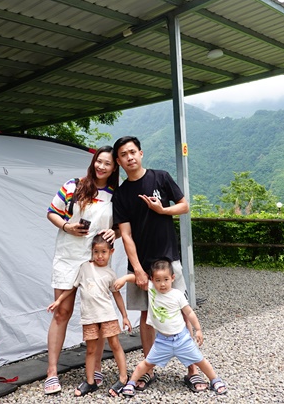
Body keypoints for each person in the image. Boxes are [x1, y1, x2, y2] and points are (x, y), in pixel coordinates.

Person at [111, 135, 207, 393]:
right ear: (119, 161)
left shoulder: (161, 177)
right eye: (123, 154)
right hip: (140, 265)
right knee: (145, 314)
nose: (129, 157)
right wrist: (138, 270)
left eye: (132, 152)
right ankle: (148, 369)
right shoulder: (120, 195)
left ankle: (192, 370)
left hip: (169, 259)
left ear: (141, 153)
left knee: (180, 309)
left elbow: (184, 206)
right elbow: (126, 235)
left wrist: (162, 210)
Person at [44, 146, 119, 395]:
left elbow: (121, 226)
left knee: (96, 315)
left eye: (107, 163)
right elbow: (51, 212)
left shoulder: (116, 194)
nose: (101, 166)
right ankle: (52, 372)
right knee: (62, 312)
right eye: (99, 161)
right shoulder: (74, 185)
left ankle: (95, 366)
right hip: (67, 257)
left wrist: (115, 233)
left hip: (95, 260)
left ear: (114, 167)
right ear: (93, 162)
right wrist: (67, 226)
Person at [113, 259, 227, 396]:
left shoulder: (177, 295)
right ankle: (131, 383)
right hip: (162, 340)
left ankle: (215, 380)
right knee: (146, 363)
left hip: (182, 339)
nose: (162, 284)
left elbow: (189, 312)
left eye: (166, 279)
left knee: (200, 361)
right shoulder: (152, 289)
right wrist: (124, 279)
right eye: (158, 280)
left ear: (172, 278)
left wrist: (198, 330)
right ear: (152, 280)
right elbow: (135, 278)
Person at [48, 234, 132, 397]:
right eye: (96, 252)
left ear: (111, 252)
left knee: (115, 345)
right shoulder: (84, 268)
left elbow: (117, 295)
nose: (100, 256)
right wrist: (59, 301)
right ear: (91, 252)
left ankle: (123, 378)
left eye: (103, 252)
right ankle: (90, 381)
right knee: (91, 349)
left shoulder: (110, 273)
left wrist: (124, 316)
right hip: (89, 318)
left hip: (107, 316)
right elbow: (72, 288)